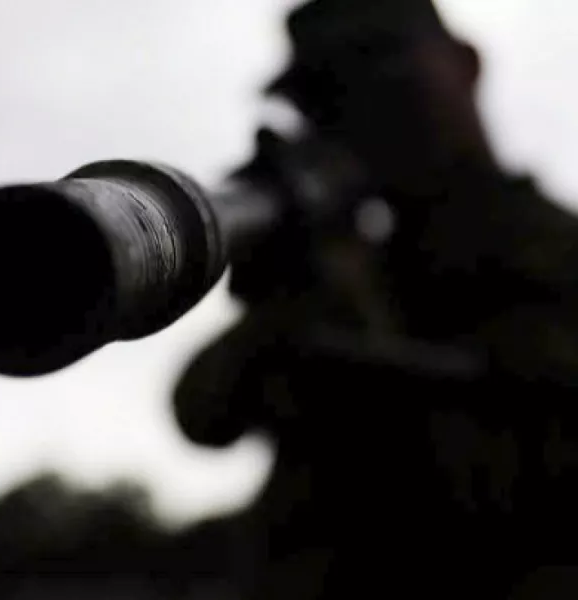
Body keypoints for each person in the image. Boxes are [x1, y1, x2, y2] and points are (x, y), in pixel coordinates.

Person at [174, 0, 578, 597]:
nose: (361, 112)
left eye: (386, 75)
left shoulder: (555, 257)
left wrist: (355, 312)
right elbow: (204, 411)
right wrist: (282, 301)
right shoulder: (351, 264)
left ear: (466, 64)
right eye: (328, 98)